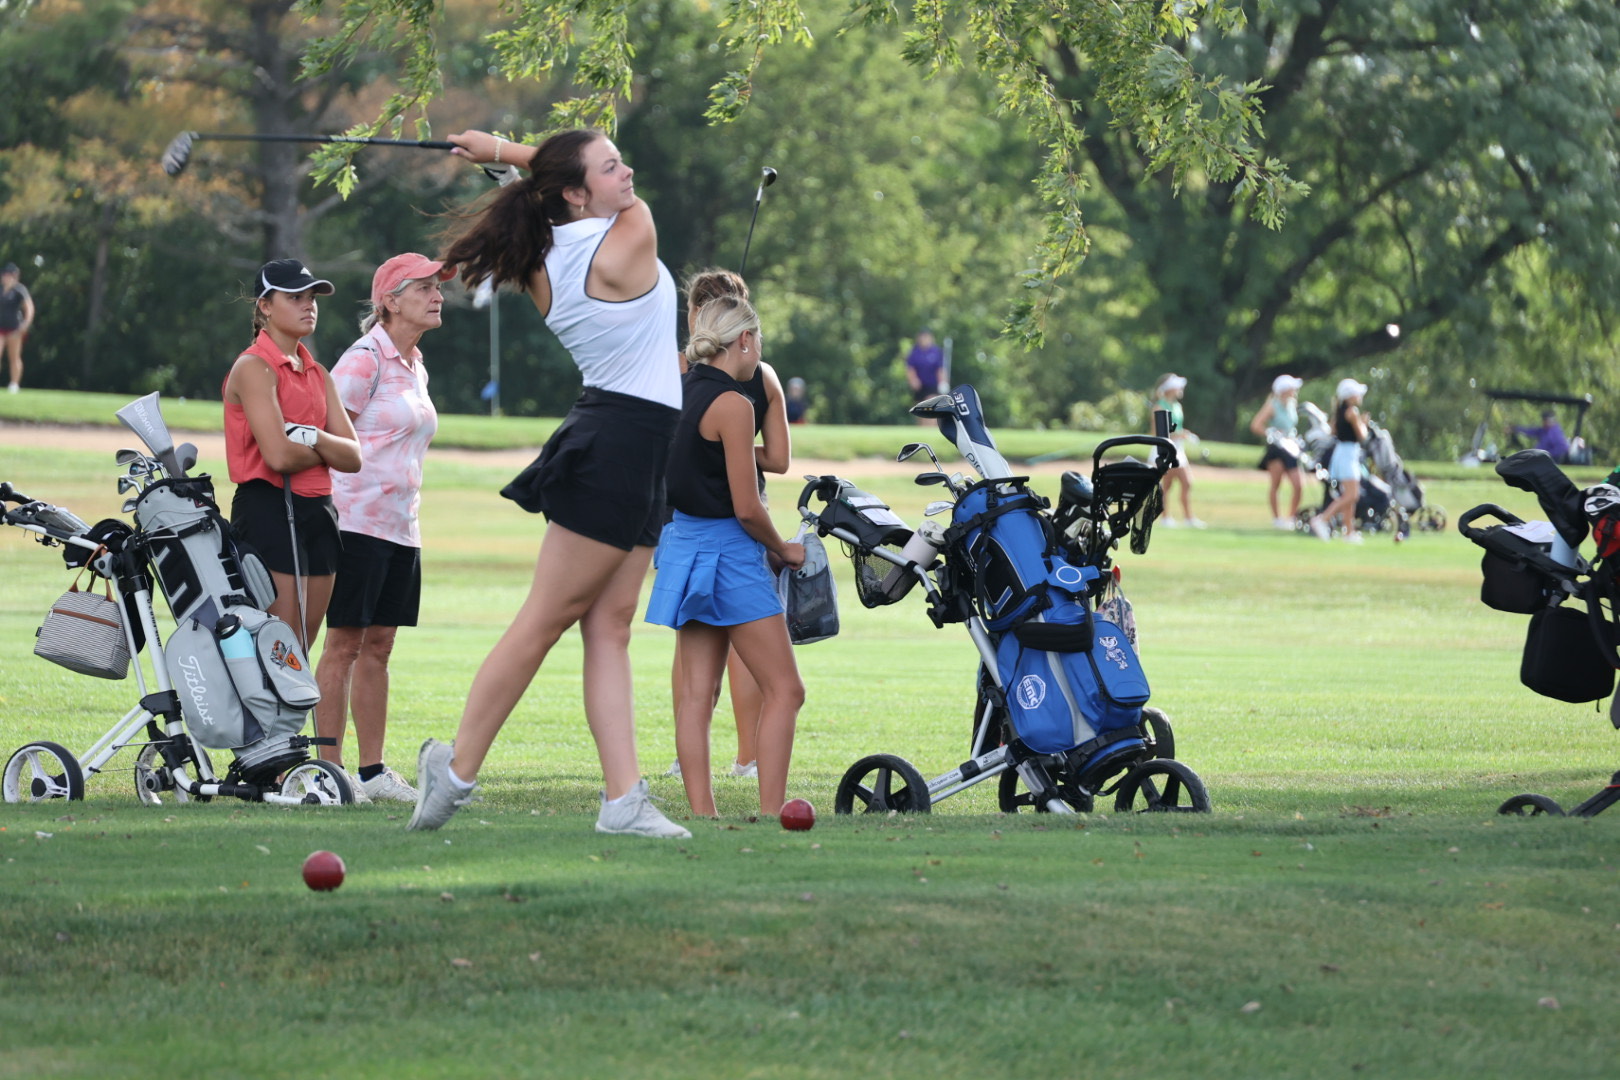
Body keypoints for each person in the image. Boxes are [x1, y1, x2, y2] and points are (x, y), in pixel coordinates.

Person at [408, 127, 690, 839]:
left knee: (610, 627)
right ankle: (457, 768)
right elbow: (617, 200)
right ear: (572, 191)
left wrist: (507, 155)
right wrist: (503, 149)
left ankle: (623, 800)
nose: (627, 173)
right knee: (545, 619)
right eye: (608, 166)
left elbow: (552, 187)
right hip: (620, 444)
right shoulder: (627, 239)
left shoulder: (540, 257)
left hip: (639, 445)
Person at [646, 295, 806, 817]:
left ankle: (703, 815)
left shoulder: (676, 390)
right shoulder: (735, 406)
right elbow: (747, 507)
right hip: (728, 551)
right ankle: (770, 811)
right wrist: (782, 549)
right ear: (745, 341)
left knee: (696, 694)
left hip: (681, 546)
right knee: (786, 689)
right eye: (759, 340)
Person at [315, 253, 452, 803]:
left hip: (401, 527)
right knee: (344, 643)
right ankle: (329, 771)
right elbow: (323, 433)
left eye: (438, 287)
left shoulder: (416, 364)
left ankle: (372, 772)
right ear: (390, 301)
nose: (437, 295)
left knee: (381, 646)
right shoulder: (364, 359)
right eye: (424, 287)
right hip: (354, 523)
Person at [222, 260, 362, 650]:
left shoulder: (318, 373)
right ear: (265, 306)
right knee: (279, 647)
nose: (309, 305)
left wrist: (311, 436)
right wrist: (325, 449)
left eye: (312, 297)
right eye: (295, 297)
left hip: (319, 510)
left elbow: (353, 458)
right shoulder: (254, 367)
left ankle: (287, 715)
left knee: (300, 649)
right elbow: (279, 458)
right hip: (269, 507)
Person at [1309, 378, 1370, 543]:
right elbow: (1362, 435)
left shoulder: (1340, 411)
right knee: (1352, 494)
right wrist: (1363, 423)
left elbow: (1333, 430)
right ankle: (1322, 519)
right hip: (1348, 454)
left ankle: (1349, 532)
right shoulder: (1352, 412)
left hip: (1343, 453)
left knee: (1349, 494)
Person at [1249, 374, 1306, 529]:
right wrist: (1271, 432)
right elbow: (1256, 425)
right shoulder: (1272, 405)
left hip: (1291, 446)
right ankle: (1277, 519)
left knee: (1298, 485)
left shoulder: (1292, 404)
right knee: (1276, 483)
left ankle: (1291, 518)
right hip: (1277, 447)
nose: (1295, 391)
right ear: (1283, 390)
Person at [1152, 373, 1204, 528]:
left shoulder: (1177, 406)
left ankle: (1186, 517)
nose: (1181, 389)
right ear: (1169, 389)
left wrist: (1183, 434)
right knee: (1173, 483)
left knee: (1183, 483)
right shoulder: (1159, 406)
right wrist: (1181, 434)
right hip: (1165, 448)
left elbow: (1176, 427)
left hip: (1178, 447)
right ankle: (1167, 517)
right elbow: (1159, 431)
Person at [1, 262, 35, 393]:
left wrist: (26, 324)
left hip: (14, 329)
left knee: (14, 356)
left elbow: (29, 307)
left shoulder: (19, 289)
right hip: (0, 327)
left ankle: (14, 384)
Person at [904, 329, 945, 424]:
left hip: (932, 386)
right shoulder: (914, 353)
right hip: (919, 387)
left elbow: (940, 370)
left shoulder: (936, 352)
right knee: (920, 412)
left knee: (930, 408)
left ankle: (931, 430)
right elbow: (910, 369)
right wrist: (913, 380)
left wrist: (942, 382)